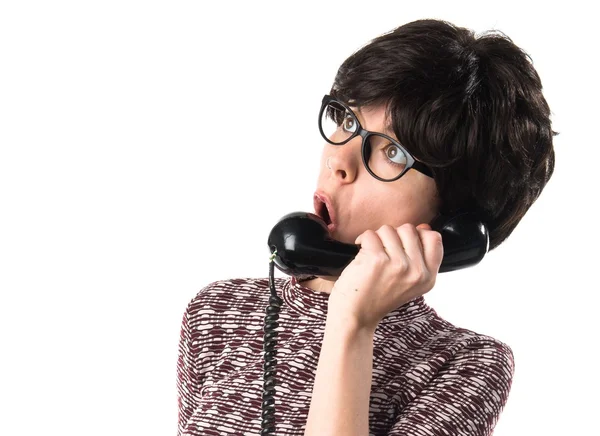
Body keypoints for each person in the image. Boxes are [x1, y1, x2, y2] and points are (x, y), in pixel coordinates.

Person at [176, 18, 555, 436]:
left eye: (391, 152)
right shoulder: (218, 312)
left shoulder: (465, 365)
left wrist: (351, 323)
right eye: (348, 121)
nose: (340, 161)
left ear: (453, 221)